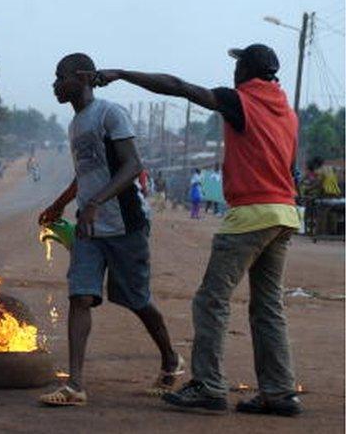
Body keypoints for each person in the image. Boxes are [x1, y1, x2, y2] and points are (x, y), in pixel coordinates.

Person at [91, 43, 303, 416]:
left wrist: (123, 74)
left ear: (246, 71)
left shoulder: (241, 100)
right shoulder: (287, 111)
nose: (233, 72)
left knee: (211, 300)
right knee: (268, 307)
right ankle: (280, 392)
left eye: (238, 65)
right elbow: (289, 166)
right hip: (284, 214)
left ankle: (208, 385)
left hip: (250, 215)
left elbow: (179, 87)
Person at [37, 53, 182, 407]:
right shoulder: (74, 125)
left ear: (83, 77)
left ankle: (171, 360)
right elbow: (86, 172)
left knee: (137, 299)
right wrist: (60, 204)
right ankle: (75, 385)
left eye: (61, 77)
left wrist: (95, 203)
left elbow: (133, 165)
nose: (55, 84)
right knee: (80, 295)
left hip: (124, 223)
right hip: (90, 227)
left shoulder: (109, 114)